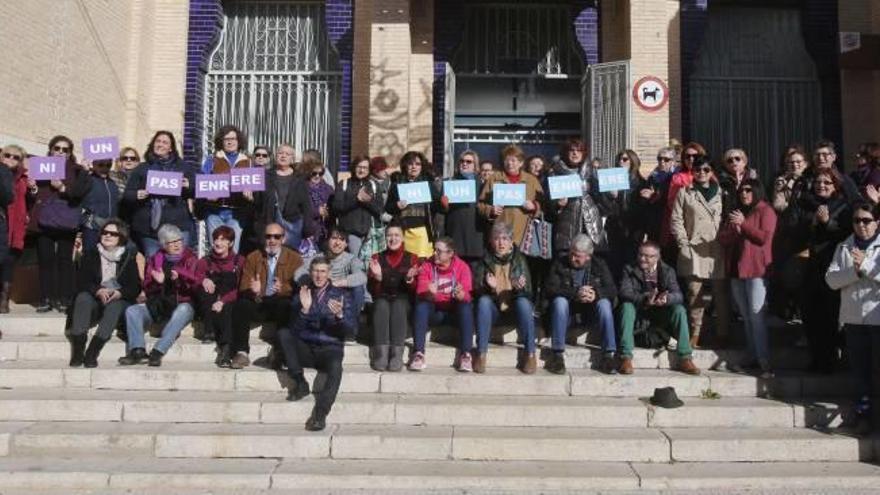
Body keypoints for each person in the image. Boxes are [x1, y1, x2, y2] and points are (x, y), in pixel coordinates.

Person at [278, 256, 356, 432]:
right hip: (307, 347)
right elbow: (294, 330)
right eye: (315, 271)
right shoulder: (303, 292)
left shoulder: (342, 295)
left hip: (330, 348)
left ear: (329, 273)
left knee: (336, 368)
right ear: (310, 273)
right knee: (283, 334)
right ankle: (300, 382)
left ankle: (320, 414)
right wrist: (304, 311)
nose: (319, 275)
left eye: (322, 271)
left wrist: (340, 317)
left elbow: (351, 330)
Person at [825, 203, 880, 435]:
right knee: (860, 373)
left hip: (877, 319)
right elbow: (831, 279)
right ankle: (863, 417)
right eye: (857, 221)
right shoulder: (844, 246)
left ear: (877, 222)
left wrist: (865, 265)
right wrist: (855, 272)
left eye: (866, 220)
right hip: (853, 319)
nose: (861, 225)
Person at [719, 179, 777, 376]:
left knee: (757, 315)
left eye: (749, 190)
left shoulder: (765, 210)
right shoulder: (736, 212)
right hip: (736, 270)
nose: (744, 193)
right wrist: (736, 230)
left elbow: (763, 238)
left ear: (757, 191)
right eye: (741, 190)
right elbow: (723, 238)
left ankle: (764, 361)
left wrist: (743, 225)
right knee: (746, 316)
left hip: (756, 271)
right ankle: (752, 356)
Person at [119, 224, 198, 367]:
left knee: (184, 309)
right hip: (159, 305)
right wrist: (157, 283)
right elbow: (147, 287)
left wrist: (177, 278)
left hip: (181, 304)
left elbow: (195, 285)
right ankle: (137, 350)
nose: (176, 245)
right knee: (132, 310)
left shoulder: (191, 258)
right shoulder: (156, 259)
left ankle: (157, 351)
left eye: (179, 240)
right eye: (171, 242)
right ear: (163, 245)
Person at [671, 157, 730, 348]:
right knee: (694, 294)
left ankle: (722, 334)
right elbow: (676, 220)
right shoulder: (685, 192)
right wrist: (683, 243)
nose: (702, 173)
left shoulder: (722, 193)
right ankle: (695, 334)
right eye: (698, 169)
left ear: (712, 171)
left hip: (717, 248)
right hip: (694, 249)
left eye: (706, 169)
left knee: (720, 294)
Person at [798, 168, 853, 373]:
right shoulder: (807, 204)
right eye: (818, 182)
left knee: (829, 316)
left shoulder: (843, 206)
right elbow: (796, 231)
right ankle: (816, 358)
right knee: (810, 314)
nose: (821, 186)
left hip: (832, 267)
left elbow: (846, 233)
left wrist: (826, 223)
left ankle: (829, 360)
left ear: (836, 186)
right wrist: (810, 223)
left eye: (827, 183)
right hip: (810, 267)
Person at [618, 241, 700, 375]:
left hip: (660, 313)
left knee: (679, 310)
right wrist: (645, 299)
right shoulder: (629, 269)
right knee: (626, 307)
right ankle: (625, 357)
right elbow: (624, 292)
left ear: (657, 257)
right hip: (639, 312)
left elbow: (678, 295)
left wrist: (667, 299)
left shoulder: (667, 271)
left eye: (648, 256)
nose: (643, 259)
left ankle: (685, 358)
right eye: (641, 255)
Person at [230, 223, 303, 369]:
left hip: (279, 303)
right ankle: (241, 352)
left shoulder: (294, 258)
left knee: (286, 305)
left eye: (277, 236)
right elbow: (244, 285)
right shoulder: (253, 257)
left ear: (283, 238)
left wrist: (283, 288)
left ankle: (279, 351)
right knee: (240, 305)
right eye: (268, 236)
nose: (272, 240)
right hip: (259, 302)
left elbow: (299, 286)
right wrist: (253, 290)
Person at [68, 219, 140, 367]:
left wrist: (119, 293)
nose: (107, 236)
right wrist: (98, 290)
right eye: (105, 232)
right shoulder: (91, 253)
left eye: (113, 234)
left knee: (115, 306)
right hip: (95, 299)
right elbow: (81, 281)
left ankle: (93, 351)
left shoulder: (128, 257)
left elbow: (135, 287)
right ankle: (78, 349)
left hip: (116, 299)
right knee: (82, 297)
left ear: (120, 237)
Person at [32, 135, 90, 313]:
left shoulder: (77, 169)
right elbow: (33, 196)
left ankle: (65, 298)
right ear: (50, 149)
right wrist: (33, 188)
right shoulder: (40, 166)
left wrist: (62, 188)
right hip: (44, 219)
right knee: (45, 260)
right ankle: (47, 298)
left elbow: (80, 193)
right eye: (57, 148)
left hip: (66, 220)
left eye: (65, 150)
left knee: (65, 260)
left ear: (70, 153)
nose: (60, 152)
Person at [544, 234, 617, 374]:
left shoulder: (599, 264)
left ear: (588, 256)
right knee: (559, 301)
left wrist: (595, 294)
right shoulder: (560, 263)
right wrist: (575, 293)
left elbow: (612, 290)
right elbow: (550, 288)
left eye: (577, 256)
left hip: (590, 314)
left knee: (604, 304)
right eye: (571, 253)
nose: (572, 258)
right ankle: (557, 355)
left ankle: (608, 355)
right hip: (567, 313)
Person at [473, 222, 536, 374]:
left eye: (505, 238)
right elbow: (476, 289)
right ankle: (481, 354)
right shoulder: (485, 259)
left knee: (524, 303)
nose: (501, 243)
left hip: (514, 309)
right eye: (497, 238)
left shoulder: (519, 259)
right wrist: (489, 286)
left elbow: (529, 293)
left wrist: (518, 288)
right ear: (491, 241)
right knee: (483, 301)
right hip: (494, 310)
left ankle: (530, 354)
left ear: (511, 241)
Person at [123, 131, 195, 257]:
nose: (160, 144)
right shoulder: (142, 168)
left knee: (179, 264)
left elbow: (196, 191)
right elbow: (127, 194)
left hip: (178, 226)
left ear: (171, 148)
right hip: (149, 230)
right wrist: (136, 195)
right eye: (158, 141)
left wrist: (188, 186)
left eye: (165, 142)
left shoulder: (183, 167)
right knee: (153, 265)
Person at [411, 237, 474, 371]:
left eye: (439, 251)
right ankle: (418, 354)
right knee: (421, 305)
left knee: (466, 307)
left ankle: (466, 355)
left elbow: (468, 296)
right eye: (435, 250)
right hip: (435, 312)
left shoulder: (462, 267)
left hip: (454, 312)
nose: (435, 253)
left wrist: (462, 295)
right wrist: (429, 293)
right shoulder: (428, 265)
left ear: (450, 253)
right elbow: (420, 291)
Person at [367, 221, 419, 371]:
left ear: (403, 238)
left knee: (398, 305)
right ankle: (381, 354)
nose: (393, 239)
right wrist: (377, 278)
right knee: (382, 304)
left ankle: (397, 354)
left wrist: (409, 280)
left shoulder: (412, 258)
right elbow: (373, 292)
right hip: (382, 298)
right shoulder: (376, 257)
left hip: (403, 300)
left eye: (397, 235)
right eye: (389, 235)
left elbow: (414, 291)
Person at [198, 125, 256, 254]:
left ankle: (230, 274)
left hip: (237, 213)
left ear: (239, 140)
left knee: (232, 251)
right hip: (214, 212)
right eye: (226, 139)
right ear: (221, 142)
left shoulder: (249, 161)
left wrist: (251, 196)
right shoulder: (211, 159)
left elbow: (254, 187)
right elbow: (202, 181)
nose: (230, 142)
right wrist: (208, 194)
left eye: (233, 138)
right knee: (217, 249)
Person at [542, 140, 600, 256]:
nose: (575, 153)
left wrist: (610, 195)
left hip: (589, 221)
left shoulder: (591, 171)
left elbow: (599, 197)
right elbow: (548, 202)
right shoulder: (555, 172)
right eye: (571, 150)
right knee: (566, 258)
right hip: (566, 223)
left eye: (579, 151)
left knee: (591, 259)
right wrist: (557, 205)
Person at [194, 226, 245, 360]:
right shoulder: (205, 261)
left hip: (229, 300)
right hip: (209, 304)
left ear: (231, 243)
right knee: (205, 290)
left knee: (228, 308)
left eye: (223, 239)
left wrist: (223, 301)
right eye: (216, 239)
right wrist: (203, 280)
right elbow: (193, 278)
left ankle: (226, 348)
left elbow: (242, 288)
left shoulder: (239, 261)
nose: (218, 243)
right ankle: (209, 330)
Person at [297, 227, 367, 317]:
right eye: (334, 238)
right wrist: (316, 279)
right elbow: (298, 274)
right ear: (327, 241)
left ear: (346, 244)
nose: (337, 243)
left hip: (342, 297)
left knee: (358, 289)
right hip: (320, 296)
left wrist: (339, 282)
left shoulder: (351, 259)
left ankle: (353, 322)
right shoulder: (318, 257)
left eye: (342, 239)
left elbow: (362, 276)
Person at [385, 151, 440, 258]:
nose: (414, 167)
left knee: (422, 264)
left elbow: (438, 206)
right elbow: (388, 207)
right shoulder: (397, 184)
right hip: (403, 232)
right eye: (410, 164)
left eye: (417, 164)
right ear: (405, 166)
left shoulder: (428, 184)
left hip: (423, 232)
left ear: (422, 167)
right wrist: (397, 205)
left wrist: (443, 202)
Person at [260, 144, 312, 251]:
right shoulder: (265, 175)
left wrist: (308, 228)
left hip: (293, 225)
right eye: (280, 153)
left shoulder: (300, 178)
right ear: (275, 156)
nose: (283, 156)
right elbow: (258, 200)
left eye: (287, 154)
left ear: (292, 158)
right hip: (270, 223)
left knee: (290, 257)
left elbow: (306, 205)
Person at [0, 144, 33, 313]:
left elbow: (31, 201)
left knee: (8, 262)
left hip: (16, 225)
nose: (11, 159)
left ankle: (4, 299)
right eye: (7, 155)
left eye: (16, 157)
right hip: (2, 220)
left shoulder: (24, 178)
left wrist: (33, 189)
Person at [332, 155, 383, 260]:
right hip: (350, 232)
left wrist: (366, 201)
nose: (362, 170)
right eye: (359, 167)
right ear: (354, 167)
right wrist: (356, 200)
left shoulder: (374, 185)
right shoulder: (344, 184)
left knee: (370, 263)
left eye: (365, 168)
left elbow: (380, 209)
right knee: (357, 262)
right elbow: (337, 207)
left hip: (370, 233)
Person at [441, 150, 486, 265]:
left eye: (469, 161)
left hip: (475, 239)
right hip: (455, 237)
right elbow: (442, 212)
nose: (464, 163)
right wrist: (444, 205)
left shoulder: (482, 185)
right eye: (462, 161)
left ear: (475, 165)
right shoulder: (449, 183)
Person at [661, 142, 706, 248]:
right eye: (687, 156)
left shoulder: (711, 175)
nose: (691, 159)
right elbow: (672, 203)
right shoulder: (678, 178)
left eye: (695, 156)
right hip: (685, 226)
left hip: (704, 227)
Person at [80, 159, 120, 251]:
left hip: (109, 227)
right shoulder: (88, 180)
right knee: (90, 256)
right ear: (93, 164)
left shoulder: (112, 183)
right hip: (92, 226)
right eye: (101, 165)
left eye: (108, 165)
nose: (105, 168)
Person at [718, 148, 760, 216]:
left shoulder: (753, 178)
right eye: (730, 160)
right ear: (726, 166)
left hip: (751, 215)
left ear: (744, 162)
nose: (734, 161)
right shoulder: (722, 181)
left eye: (737, 159)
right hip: (730, 217)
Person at [111, 147, 141, 225]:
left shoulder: (142, 178)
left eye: (133, 158)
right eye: (125, 158)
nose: (129, 160)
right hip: (116, 219)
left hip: (136, 221)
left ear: (137, 162)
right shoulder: (111, 176)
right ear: (119, 161)